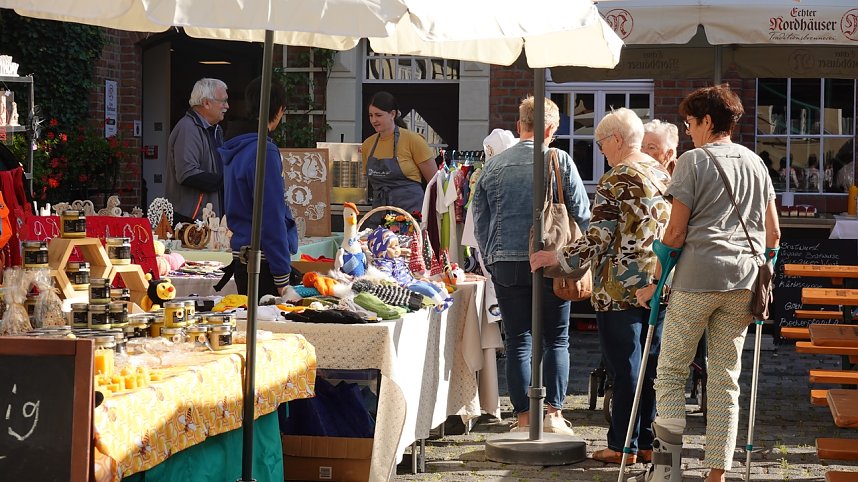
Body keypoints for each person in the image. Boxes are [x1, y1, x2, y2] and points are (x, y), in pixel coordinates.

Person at [637, 84, 780, 482]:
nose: (687, 131)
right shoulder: (756, 163)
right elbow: (774, 234)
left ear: (707, 121)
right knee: (724, 377)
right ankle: (717, 473)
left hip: (698, 279)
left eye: (690, 122)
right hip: (743, 282)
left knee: (670, 372)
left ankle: (667, 470)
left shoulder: (693, 161)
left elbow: (677, 232)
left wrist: (657, 272)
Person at [530, 108, 672, 463]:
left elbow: (599, 238)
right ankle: (643, 443)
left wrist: (557, 259)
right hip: (657, 283)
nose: (600, 150)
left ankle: (620, 446)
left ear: (618, 140)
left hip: (619, 289)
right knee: (651, 369)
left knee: (624, 369)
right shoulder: (662, 172)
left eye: (601, 142)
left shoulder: (616, 178)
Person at [472, 96, 590, 435]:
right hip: (552, 261)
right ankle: (553, 414)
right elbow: (582, 212)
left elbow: (480, 217)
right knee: (556, 338)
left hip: (506, 262)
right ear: (551, 128)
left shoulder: (494, 165)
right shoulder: (560, 159)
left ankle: (523, 419)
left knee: (518, 341)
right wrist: (577, 257)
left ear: (519, 124)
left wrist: (491, 256)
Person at [219, 76, 298, 297]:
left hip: (242, 255)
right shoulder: (264, 150)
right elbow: (271, 215)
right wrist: (282, 277)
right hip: (265, 263)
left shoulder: (235, 147)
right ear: (280, 110)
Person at [362, 91, 436, 216]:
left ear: (392, 114)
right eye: (371, 115)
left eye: (378, 115)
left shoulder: (413, 140)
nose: (374, 120)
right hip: (379, 215)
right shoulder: (367, 145)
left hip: (411, 216)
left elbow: (434, 183)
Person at [166, 78, 229, 223]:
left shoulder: (215, 129)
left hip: (207, 217)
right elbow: (187, 174)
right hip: (191, 219)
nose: (227, 106)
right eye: (223, 101)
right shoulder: (188, 129)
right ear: (206, 103)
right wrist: (226, 180)